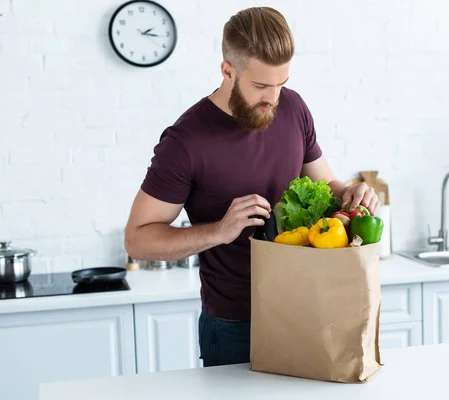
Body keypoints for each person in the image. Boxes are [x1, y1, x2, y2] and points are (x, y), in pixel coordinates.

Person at [124, 6, 381, 367]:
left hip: (309, 306)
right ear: (228, 71)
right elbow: (138, 239)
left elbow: (325, 183)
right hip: (236, 325)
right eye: (261, 86)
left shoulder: (293, 108)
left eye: (281, 84)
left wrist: (351, 194)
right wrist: (220, 230)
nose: (273, 99)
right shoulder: (185, 142)